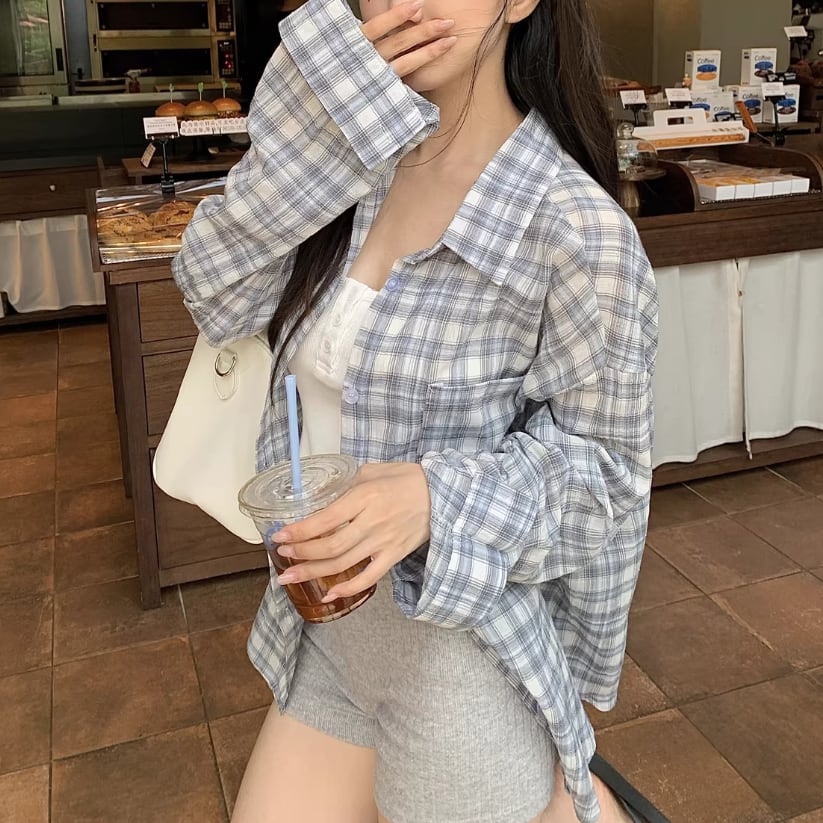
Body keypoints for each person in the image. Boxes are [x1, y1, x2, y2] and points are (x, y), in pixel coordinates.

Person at [172, 0, 658, 819]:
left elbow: (606, 483)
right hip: (324, 635)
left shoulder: (574, 228)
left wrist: (436, 499)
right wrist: (309, 131)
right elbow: (213, 291)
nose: (405, 3)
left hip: (457, 659)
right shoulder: (348, 171)